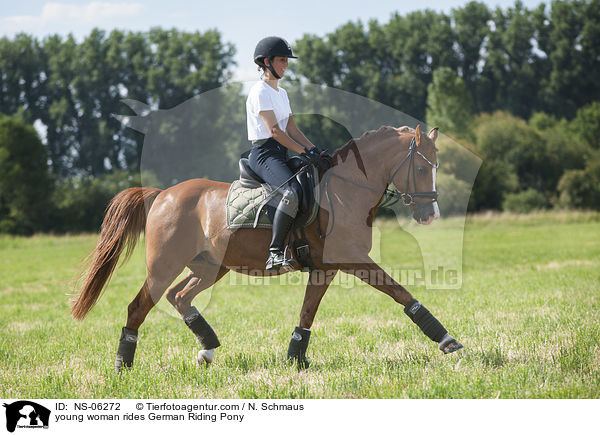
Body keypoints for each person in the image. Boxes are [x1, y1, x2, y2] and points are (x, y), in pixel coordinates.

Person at [246, 36, 332, 272]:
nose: (286, 65)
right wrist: (304, 151)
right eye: (282, 60)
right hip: (264, 154)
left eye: (287, 60)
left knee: (312, 180)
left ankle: (305, 245)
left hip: (281, 152)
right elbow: (274, 131)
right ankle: (274, 252)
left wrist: (315, 151)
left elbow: (292, 129)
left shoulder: (281, 93)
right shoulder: (260, 91)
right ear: (266, 62)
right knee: (291, 192)